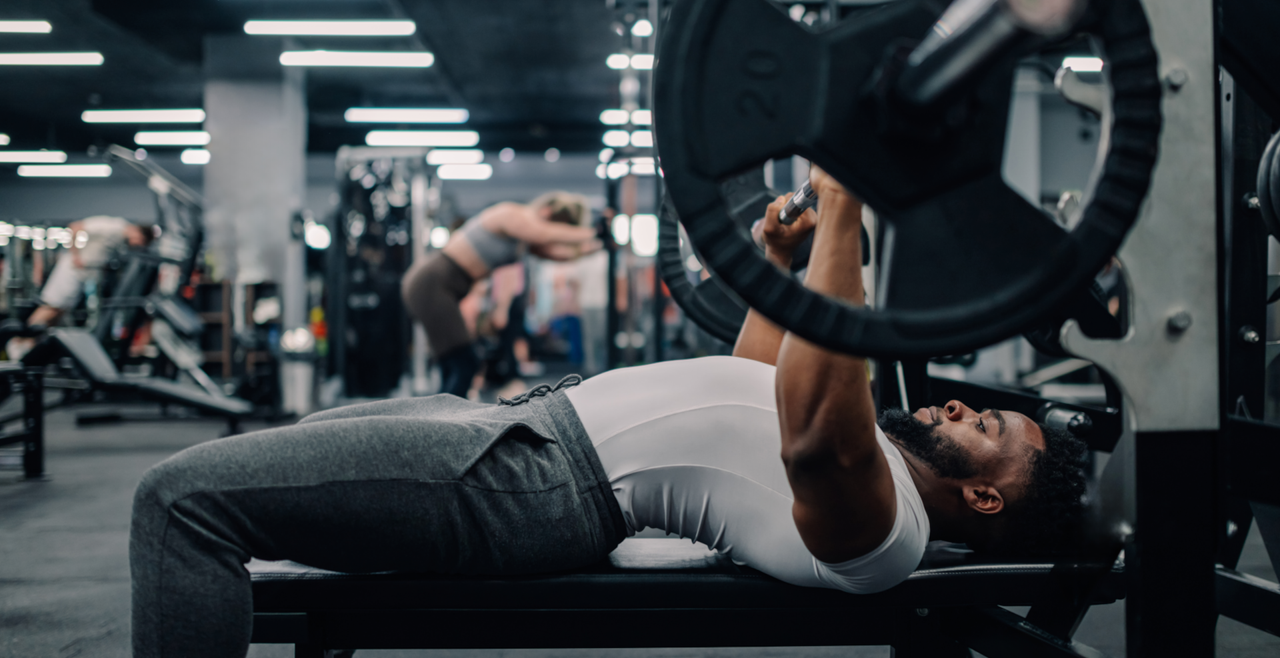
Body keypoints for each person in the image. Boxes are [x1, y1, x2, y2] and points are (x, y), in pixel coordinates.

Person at [130, 169, 1089, 658]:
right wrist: (780, 268)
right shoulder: (871, 456)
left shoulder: (886, 529)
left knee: (182, 503)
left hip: (531, 479)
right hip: (505, 433)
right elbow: (755, 378)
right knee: (273, 464)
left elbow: (808, 431)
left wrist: (844, 212)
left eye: (989, 433)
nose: (966, 407)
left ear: (989, 502)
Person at [401, 192, 603, 397]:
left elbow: (561, 254)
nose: (559, 233)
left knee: (452, 364)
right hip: (432, 284)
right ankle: (446, 422)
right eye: (561, 226)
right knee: (466, 362)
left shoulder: (523, 241)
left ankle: (438, 420)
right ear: (548, 211)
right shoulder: (511, 214)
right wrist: (592, 231)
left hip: (442, 288)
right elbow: (545, 234)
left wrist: (601, 242)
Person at [5, 216, 154, 360]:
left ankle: (30, 345)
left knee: (60, 312)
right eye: (140, 241)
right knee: (51, 307)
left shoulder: (120, 237)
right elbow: (75, 226)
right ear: (138, 232)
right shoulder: (112, 225)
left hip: (82, 274)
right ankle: (18, 342)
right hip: (72, 269)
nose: (137, 245)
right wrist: (76, 255)